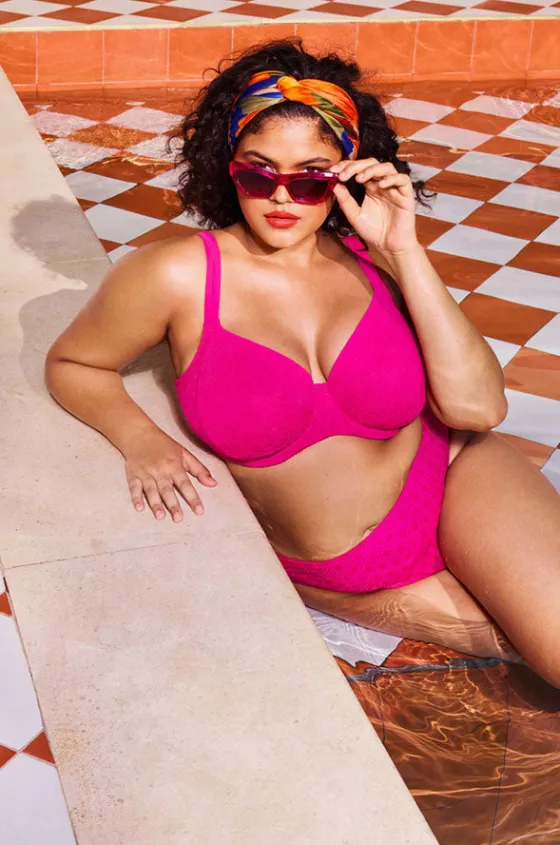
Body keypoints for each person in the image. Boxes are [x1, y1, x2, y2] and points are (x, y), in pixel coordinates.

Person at [45, 40, 560, 687]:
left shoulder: (373, 260)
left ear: (346, 173)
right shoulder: (176, 274)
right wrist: (140, 439)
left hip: (457, 472)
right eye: (260, 175)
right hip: (346, 565)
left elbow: (478, 410)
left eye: (312, 177)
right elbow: (74, 362)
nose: (282, 197)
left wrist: (405, 250)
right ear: (228, 167)